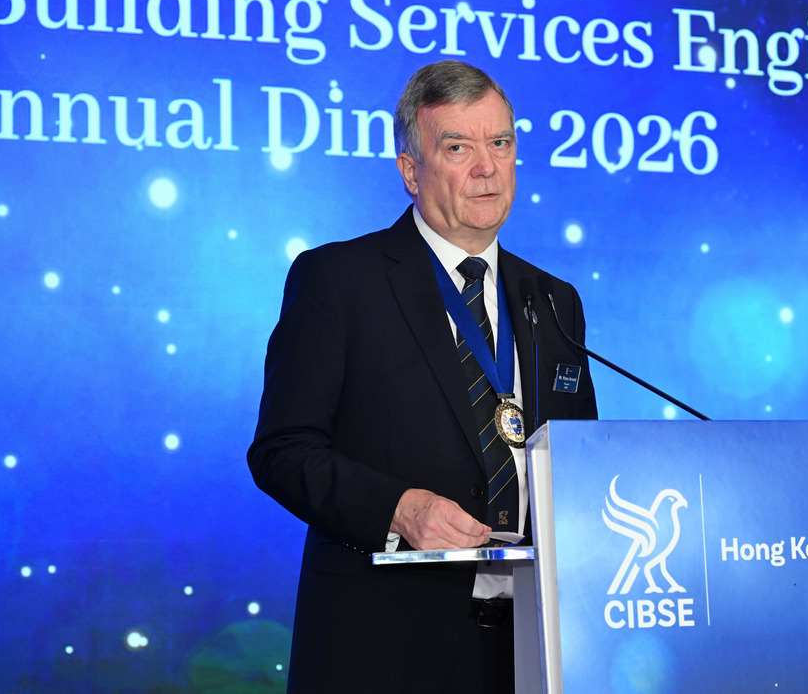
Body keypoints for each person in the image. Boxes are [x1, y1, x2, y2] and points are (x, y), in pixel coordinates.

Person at [247, 60, 598, 693]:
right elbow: (282, 451)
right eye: (458, 147)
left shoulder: (553, 300)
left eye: (501, 143)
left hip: (535, 645)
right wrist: (399, 509)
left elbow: (579, 462)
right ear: (411, 171)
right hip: (387, 647)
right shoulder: (339, 281)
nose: (487, 167)